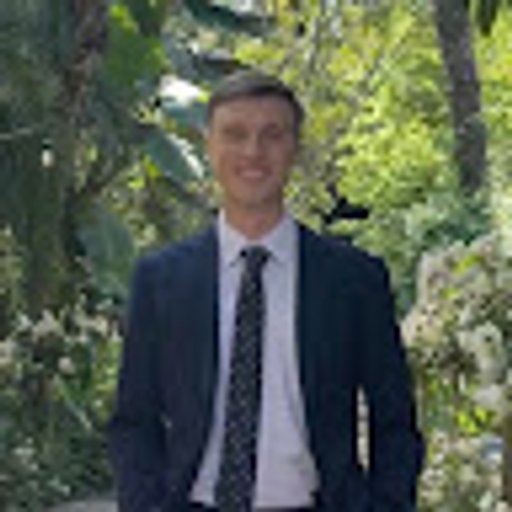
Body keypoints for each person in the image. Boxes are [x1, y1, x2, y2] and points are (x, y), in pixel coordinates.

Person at [108, 70, 425, 512]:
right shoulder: (161, 279)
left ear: (295, 148)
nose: (252, 152)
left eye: (272, 135)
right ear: (209, 145)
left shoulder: (354, 280)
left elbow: (394, 422)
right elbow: (134, 420)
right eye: (234, 134)